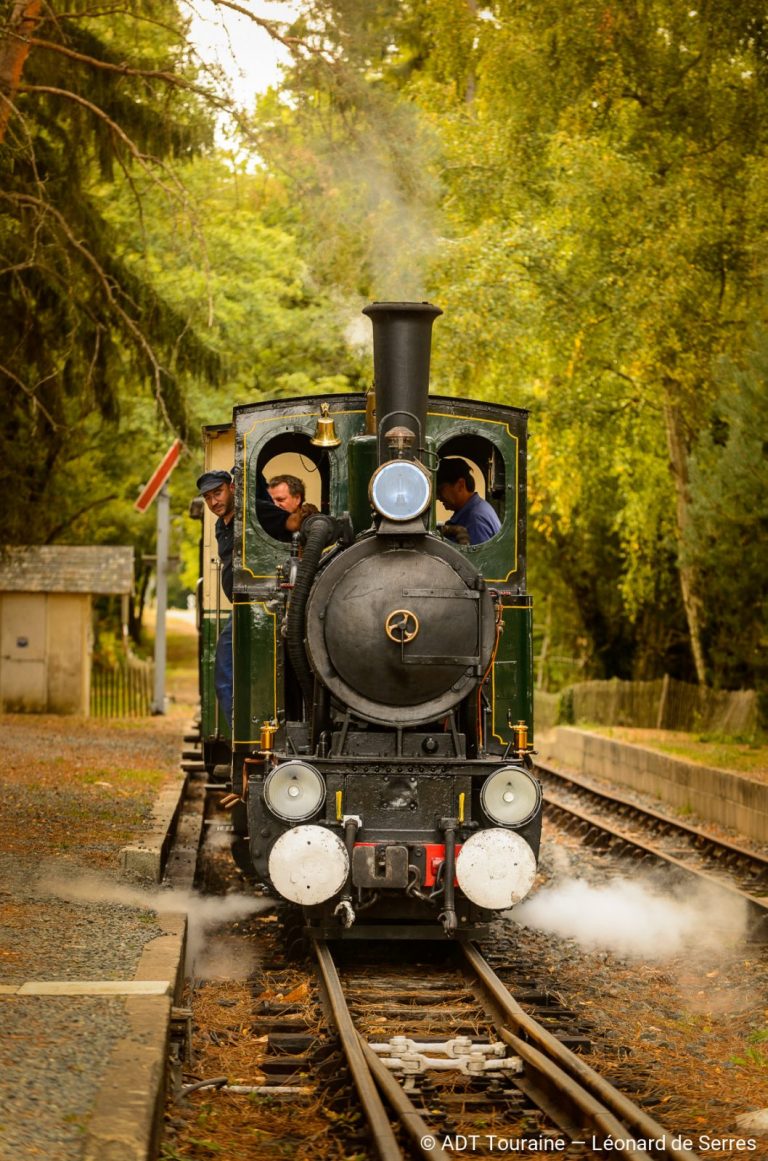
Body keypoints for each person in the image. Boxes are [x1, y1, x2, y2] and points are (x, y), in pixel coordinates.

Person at [197, 468, 236, 728]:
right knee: (223, 668)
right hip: (238, 604)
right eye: (208, 498)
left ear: (232, 488)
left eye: (218, 493)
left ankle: (237, 724)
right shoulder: (219, 525)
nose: (214, 502)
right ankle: (236, 724)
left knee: (224, 664)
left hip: (255, 603)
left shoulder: (247, 518)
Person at [436, 457, 501, 546]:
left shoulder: (475, 520)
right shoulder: (475, 510)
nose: (437, 497)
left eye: (440, 490)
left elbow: (478, 559)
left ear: (460, 485)